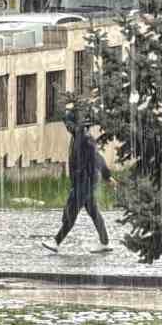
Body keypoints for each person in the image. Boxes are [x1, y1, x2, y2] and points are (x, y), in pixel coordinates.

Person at [51, 103, 115, 252]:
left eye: (70, 124)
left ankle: (56, 241)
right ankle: (105, 243)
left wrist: (107, 176)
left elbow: (98, 158)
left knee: (71, 211)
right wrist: (69, 108)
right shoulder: (78, 135)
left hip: (85, 181)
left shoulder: (85, 139)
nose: (68, 127)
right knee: (93, 212)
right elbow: (67, 120)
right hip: (84, 181)